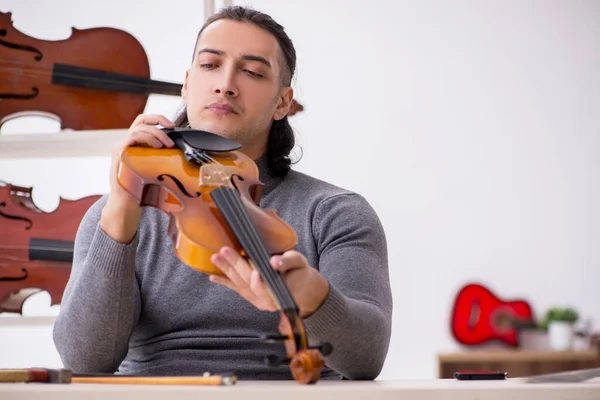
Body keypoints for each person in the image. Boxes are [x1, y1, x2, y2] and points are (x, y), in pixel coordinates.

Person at [53, 5, 393, 381]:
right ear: (186, 84)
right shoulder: (117, 212)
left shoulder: (334, 213)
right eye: (210, 64)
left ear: (282, 102)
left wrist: (314, 299)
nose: (225, 84)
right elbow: (84, 360)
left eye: (252, 71)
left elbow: (368, 356)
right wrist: (120, 208)